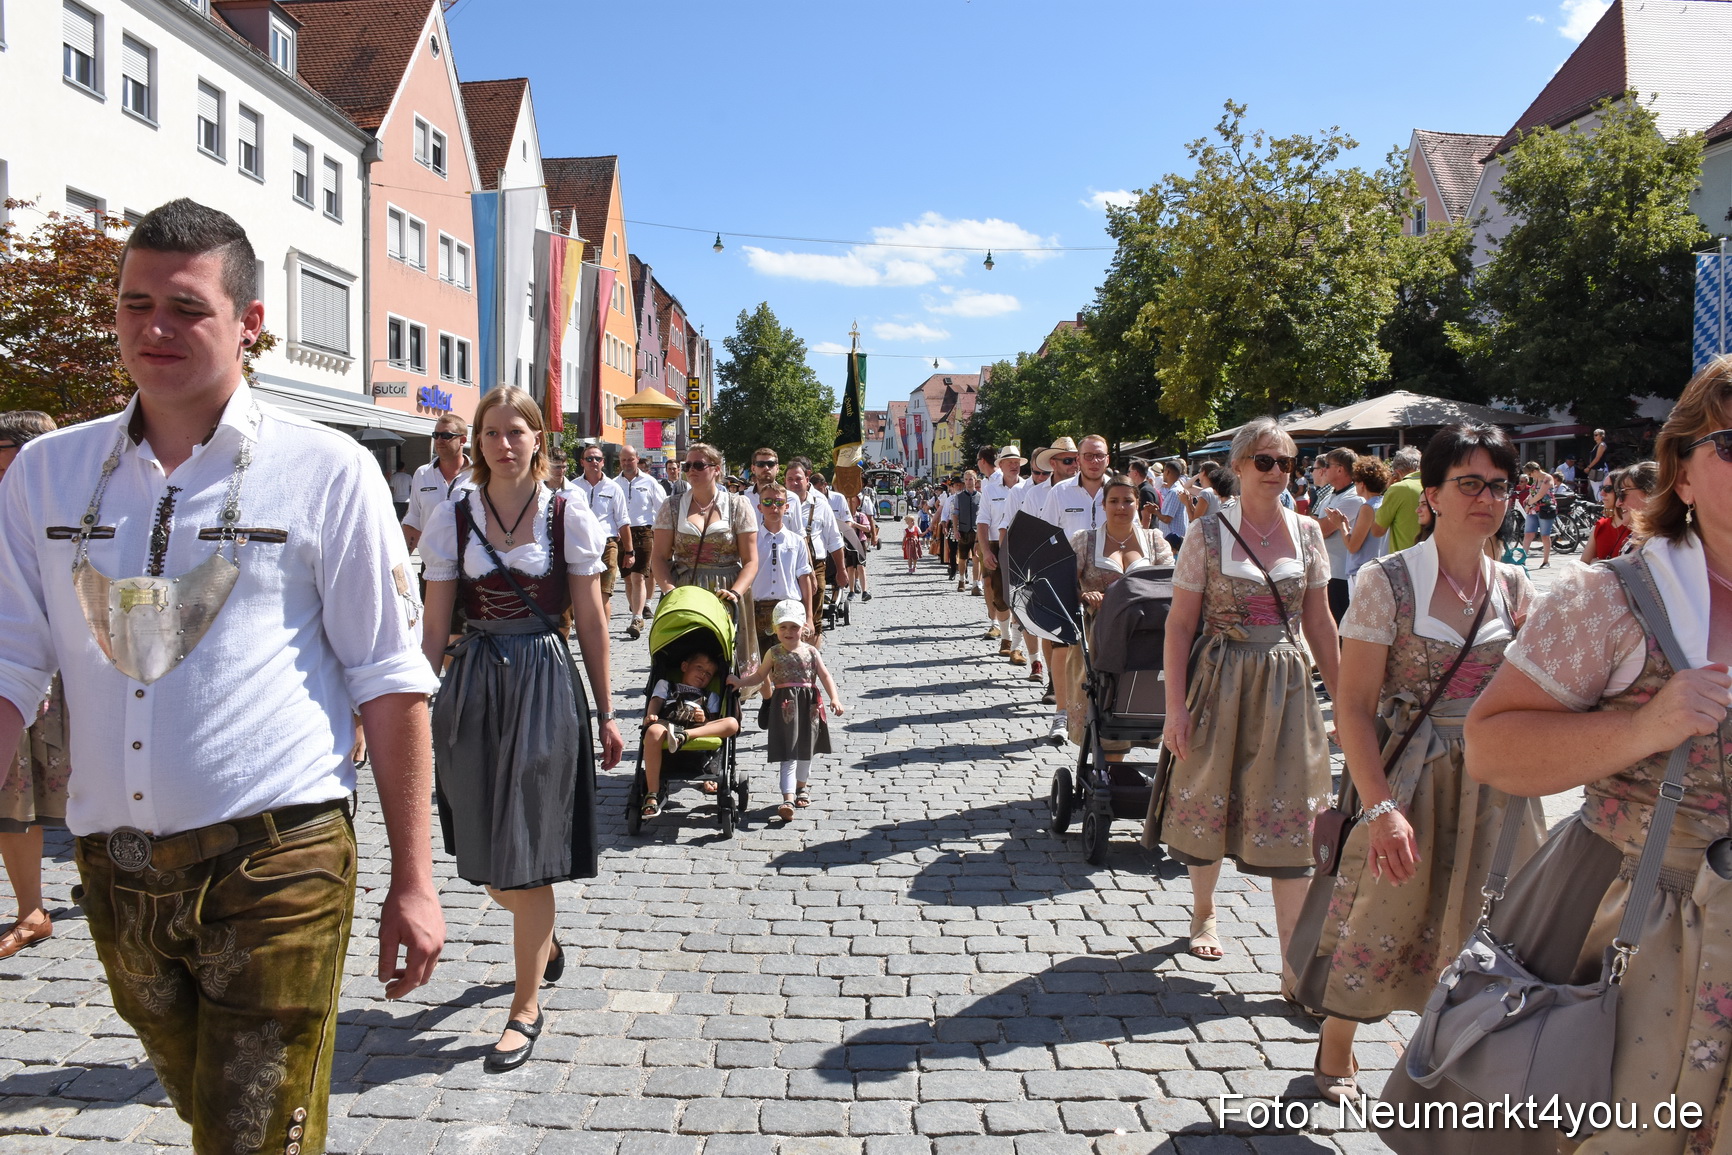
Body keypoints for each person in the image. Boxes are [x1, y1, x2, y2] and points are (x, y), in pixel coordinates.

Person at [0, 199, 443, 1152]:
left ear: (249, 323)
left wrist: (416, 875)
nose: (154, 327)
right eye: (134, 302)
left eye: (186, 308)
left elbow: (389, 677)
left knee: (249, 1138)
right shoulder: (45, 473)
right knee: (218, 1112)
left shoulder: (327, 470)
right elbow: (10, 662)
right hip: (115, 873)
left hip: (276, 858)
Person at [1380, 360, 1732, 1153]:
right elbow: (1495, 746)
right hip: (1636, 916)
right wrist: (1647, 727)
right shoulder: (1610, 598)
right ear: (1679, 471)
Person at [1286, 423, 1544, 1105]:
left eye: (1498, 484)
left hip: (1497, 782)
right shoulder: (1386, 580)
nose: (1486, 497)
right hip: (1409, 779)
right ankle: (1336, 1041)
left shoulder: (1517, 587)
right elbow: (1355, 707)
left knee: (1494, 926)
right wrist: (1379, 808)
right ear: (1430, 494)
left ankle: (1464, 1062)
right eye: (1468, 483)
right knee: (1381, 916)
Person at [418, 386, 620, 1072]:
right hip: (475, 681)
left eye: (517, 431)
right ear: (475, 442)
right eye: (492, 432)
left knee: (528, 848)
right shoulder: (453, 514)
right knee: (480, 848)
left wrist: (609, 710)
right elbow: (434, 620)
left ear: (539, 439)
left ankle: (525, 1006)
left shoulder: (571, 513)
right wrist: (416, 701)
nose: (504, 444)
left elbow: (590, 621)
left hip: (542, 678)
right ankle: (544, 939)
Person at [1148, 416, 1338, 976]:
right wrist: (1175, 707)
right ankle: (1204, 912)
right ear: (1237, 466)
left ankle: (1290, 960)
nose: (1278, 471)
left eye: (1286, 462)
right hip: (1222, 676)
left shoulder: (1308, 533)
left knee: (1299, 811)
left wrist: (1349, 705)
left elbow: (1321, 623)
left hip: (1289, 684)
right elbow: (1180, 625)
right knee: (1211, 792)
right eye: (1265, 460)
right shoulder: (1208, 533)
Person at [0, 411, 65, 963]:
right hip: (13, 677)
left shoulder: (63, 506)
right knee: (13, 799)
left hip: (63, 678)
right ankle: (32, 911)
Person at [1065, 474, 1175, 745]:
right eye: (1114, 501)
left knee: (1142, 697)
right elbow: (1064, 587)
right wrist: (1084, 595)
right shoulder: (1085, 541)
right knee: (1104, 702)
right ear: (1103, 504)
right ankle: (1109, 769)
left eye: (1128, 501)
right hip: (1098, 633)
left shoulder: (1154, 540)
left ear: (1138, 503)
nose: (1121, 507)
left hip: (1147, 633)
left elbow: (1172, 584)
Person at [730, 600, 843, 821]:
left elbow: (825, 675)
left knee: (805, 750)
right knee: (788, 752)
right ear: (775, 629)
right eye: (783, 627)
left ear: (803, 628)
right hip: (784, 708)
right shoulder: (773, 653)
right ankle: (788, 798)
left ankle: (802, 787)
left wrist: (835, 698)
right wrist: (739, 682)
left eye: (794, 627)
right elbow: (760, 676)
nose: (788, 632)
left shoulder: (811, 652)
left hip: (808, 705)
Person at [651, 443, 761, 668]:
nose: (691, 470)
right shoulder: (671, 506)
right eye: (688, 465)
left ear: (716, 469)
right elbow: (659, 557)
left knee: (727, 666)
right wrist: (670, 591)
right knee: (686, 663)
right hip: (685, 590)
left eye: (699, 465)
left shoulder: (737, 505)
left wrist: (735, 593)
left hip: (725, 591)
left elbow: (750, 560)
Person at [1038, 434, 1113, 741]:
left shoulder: (1117, 489)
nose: (1094, 461)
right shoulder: (1061, 492)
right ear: (1078, 459)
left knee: (1105, 646)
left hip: (1109, 578)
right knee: (1062, 645)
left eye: (1100, 456)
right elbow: (1047, 534)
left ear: (1107, 459)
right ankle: (1061, 712)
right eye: (1088, 456)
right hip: (1068, 575)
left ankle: (1105, 711)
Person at [638, 650, 739, 820]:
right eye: (699, 667)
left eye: (708, 673)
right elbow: (655, 700)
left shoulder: (710, 696)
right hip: (667, 724)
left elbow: (712, 723)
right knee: (653, 731)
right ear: (684, 666)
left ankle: (684, 735)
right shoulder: (666, 685)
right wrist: (652, 714)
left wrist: (705, 717)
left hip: (696, 730)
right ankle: (652, 794)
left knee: (732, 723)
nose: (703, 674)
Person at [784, 459, 846, 646]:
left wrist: (841, 570)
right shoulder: (778, 501)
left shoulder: (820, 502)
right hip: (786, 565)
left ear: (807, 478)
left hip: (816, 565)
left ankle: (810, 663)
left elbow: (834, 538)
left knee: (813, 619)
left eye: (798, 478)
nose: (794, 483)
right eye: (789, 479)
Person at [979, 446, 1030, 665]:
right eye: (1009, 461)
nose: (1013, 464)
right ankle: (1006, 638)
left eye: (1016, 460)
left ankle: (1017, 645)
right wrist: (986, 550)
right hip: (995, 544)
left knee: (1021, 597)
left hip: (1024, 545)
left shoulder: (1029, 488)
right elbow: (982, 522)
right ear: (1000, 465)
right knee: (1000, 596)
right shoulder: (990, 490)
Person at [749, 482, 813, 655]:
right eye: (767, 502)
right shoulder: (751, 540)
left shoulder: (796, 540)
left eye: (778, 502)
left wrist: (809, 617)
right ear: (760, 507)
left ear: (787, 507)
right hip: (758, 609)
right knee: (760, 666)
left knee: (790, 664)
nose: (773, 507)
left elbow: (803, 577)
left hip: (789, 609)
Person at [402, 411, 473, 552]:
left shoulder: (478, 476)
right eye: (436, 435)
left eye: (446, 436)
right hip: (432, 567)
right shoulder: (422, 474)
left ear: (463, 441)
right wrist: (403, 566)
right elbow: (413, 521)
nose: (439, 440)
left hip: (471, 564)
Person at [615, 445, 665, 640]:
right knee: (627, 578)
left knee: (638, 577)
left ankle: (637, 617)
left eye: (630, 459)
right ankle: (635, 610)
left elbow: (662, 508)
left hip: (644, 532)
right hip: (621, 533)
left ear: (637, 459)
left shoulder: (650, 482)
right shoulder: (614, 484)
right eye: (623, 460)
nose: (627, 463)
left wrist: (661, 534)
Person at [571, 444, 629, 610]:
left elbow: (623, 520)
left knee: (604, 593)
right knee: (583, 593)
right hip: (580, 545)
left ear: (603, 462)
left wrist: (629, 552)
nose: (593, 462)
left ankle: (603, 633)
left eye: (598, 458)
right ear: (582, 462)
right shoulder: (573, 487)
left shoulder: (614, 488)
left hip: (607, 544)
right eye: (589, 459)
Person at [1310, 447, 1363, 622]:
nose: (1324, 470)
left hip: (1342, 574)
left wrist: (1312, 523)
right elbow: (1313, 523)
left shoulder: (1353, 497)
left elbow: (1320, 530)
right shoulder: (1331, 495)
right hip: (1329, 571)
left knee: (1339, 626)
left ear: (1340, 469)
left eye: (1328, 465)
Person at [1581, 462, 1657, 564]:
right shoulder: (1602, 526)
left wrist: (1598, 565)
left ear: (1650, 493)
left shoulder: (1662, 542)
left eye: (1622, 493)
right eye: (1601, 488)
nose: (1602, 493)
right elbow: (1584, 563)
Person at [1343, 456, 1390, 592]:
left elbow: (1353, 547)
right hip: (1379, 570)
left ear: (1362, 484)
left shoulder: (1367, 508)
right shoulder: (1384, 503)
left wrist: (1341, 526)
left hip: (1362, 573)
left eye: (1355, 482)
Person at [1371, 446, 1423, 553]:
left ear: (1397, 472)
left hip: (1406, 559)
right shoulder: (1435, 485)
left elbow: (1377, 531)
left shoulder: (1398, 489)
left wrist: (1387, 492)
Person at [1519, 460, 1556, 568]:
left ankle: (1546, 561)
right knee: (1528, 534)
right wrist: (1528, 500)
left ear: (1535, 470)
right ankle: (1523, 560)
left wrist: (1529, 503)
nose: (1530, 476)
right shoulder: (1535, 479)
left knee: (1545, 535)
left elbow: (1540, 494)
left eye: (1530, 474)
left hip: (1545, 509)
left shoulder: (1547, 478)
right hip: (1533, 509)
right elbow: (1533, 493)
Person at [1157, 460, 1190, 555]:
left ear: (1167, 472)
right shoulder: (1178, 489)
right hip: (1176, 540)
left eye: (1164, 471)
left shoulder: (1174, 492)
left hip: (1173, 543)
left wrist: (1155, 512)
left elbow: (1167, 518)